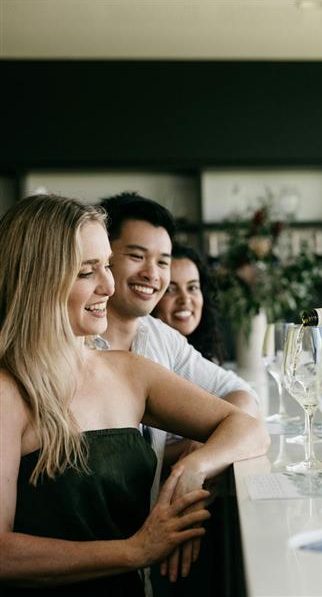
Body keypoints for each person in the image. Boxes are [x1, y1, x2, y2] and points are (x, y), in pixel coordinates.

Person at [0, 195, 269, 595]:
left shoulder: (129, 370)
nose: (108, 285)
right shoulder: (9, 389)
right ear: (38, 278)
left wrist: (193, 469)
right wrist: (135, 551)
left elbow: (248, 428)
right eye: (87, 272)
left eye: (107, 265)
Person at [96, 192, 259, 504]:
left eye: (162, 261)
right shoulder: (71, 342)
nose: (152, 273)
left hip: (157, 522)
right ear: (102, 256)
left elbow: (241, 395)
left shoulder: (159, 335)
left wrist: (204, 453)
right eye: (136, 256)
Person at [153, 243, 225, 365]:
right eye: (170, 289)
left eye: (192, 287)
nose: (185, 299)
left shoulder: (207, 356)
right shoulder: (149, 359)